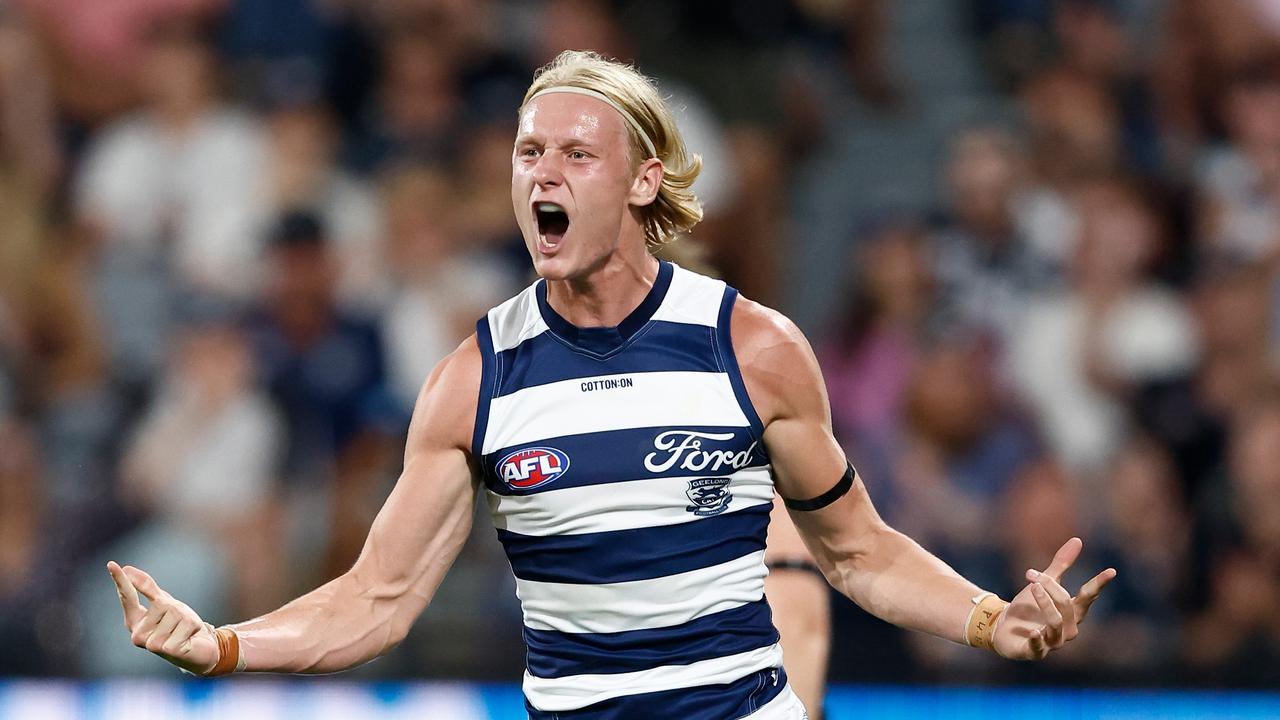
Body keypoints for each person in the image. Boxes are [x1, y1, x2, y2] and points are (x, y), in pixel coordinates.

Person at [108, 50, 1116, 719]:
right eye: (526, 154)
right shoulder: (475, 379)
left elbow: (861, 556)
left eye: (574, 155)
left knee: (798, 601)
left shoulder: (750, 346)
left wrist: (991, 619)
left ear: (641, 181)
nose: (540, 176)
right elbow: (375, 601)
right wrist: (223, 646)